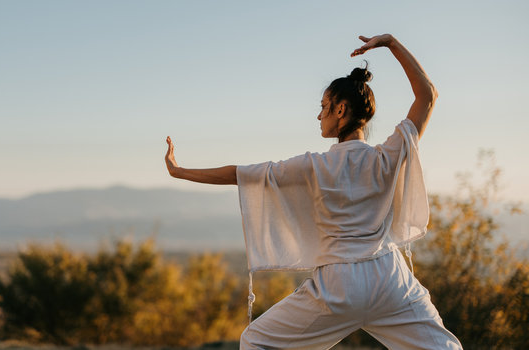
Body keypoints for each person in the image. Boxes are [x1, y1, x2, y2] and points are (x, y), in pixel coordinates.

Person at [164, 34, 463, 349]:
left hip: (339, 287)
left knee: (256, 341)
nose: (319, 115)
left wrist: (179, 171)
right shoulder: (387, 156)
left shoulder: (312, 166)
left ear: (340, 109)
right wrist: (391, 43)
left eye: (323, 107)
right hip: (390, 279)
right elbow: (427, 95)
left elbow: (240, 175)